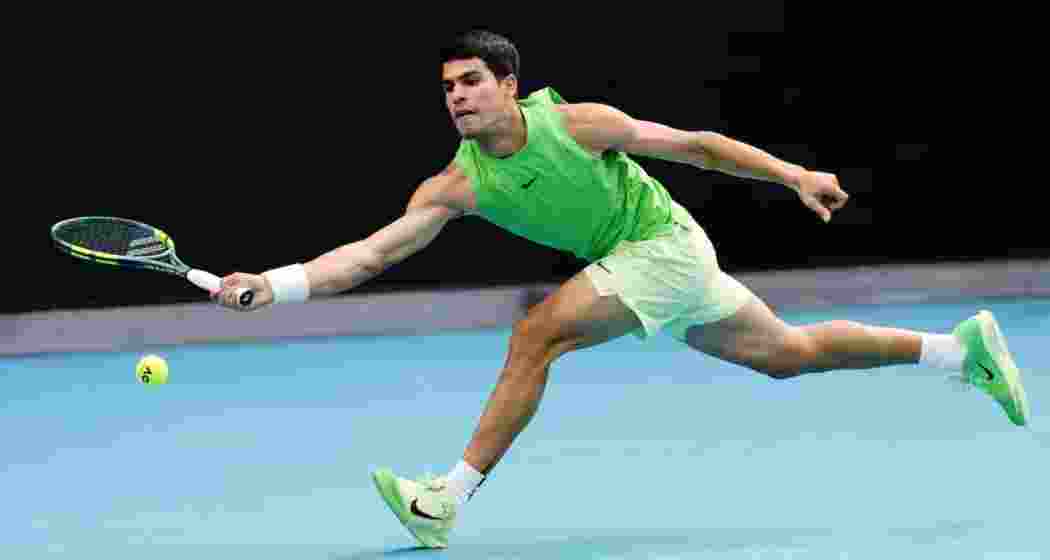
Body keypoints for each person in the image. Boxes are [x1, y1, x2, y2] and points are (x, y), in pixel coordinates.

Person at [210, 29, 1030, 549]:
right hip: (655, 266)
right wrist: (274, 287)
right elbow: (367, 256)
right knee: (789, 354)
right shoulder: (455, 183)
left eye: (470, 82)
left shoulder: (575, 125)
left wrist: (794, 174)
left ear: (507, 84)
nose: (456, 96)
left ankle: (444, 498)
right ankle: (956, 351)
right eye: (447, 87)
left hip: (663, 245)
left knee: (537, 334)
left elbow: (700, 146)